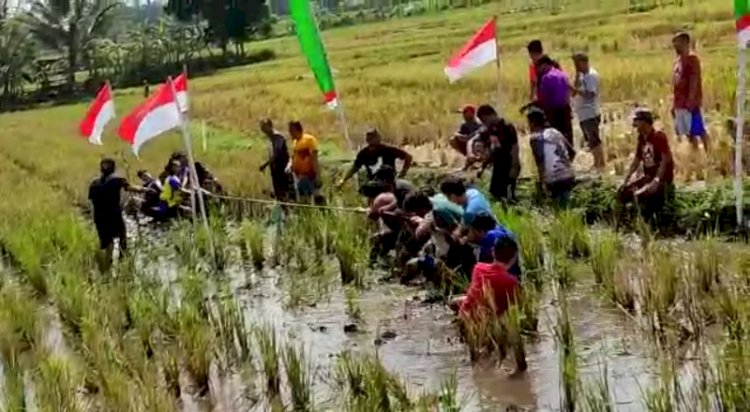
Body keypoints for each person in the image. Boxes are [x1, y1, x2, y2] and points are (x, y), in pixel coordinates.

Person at [451, 236, 527, 372]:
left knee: (460, 300)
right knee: (509, 331)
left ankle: (474, 355)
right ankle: (515, 367)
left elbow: (477, 293)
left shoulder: (478, 268)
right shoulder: (512, 282)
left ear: (492, 252)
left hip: (465, 320)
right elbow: (514, 310)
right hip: (485, 326)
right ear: (515, 257)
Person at [618, 108, 675, 223]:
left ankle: (648, 223)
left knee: (640, 196)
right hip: (648, 177)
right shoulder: (641, 138)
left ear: (644, 122)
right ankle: (627, 221)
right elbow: (636, 160)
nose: (634, 124)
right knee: (622, 192)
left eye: (637, 121)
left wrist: (657, 180)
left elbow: (665, 161)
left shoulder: (659, 136)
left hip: (661, 178)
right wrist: (626, 180)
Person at [88, 158, 145, 269]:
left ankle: (107, 266)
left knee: (108, 242)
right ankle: (122, 263)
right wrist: (145, 189)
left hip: (99, 217)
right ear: (114, 168)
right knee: (122, 237)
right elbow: (131, 188)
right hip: (114, 215)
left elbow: (91, 202)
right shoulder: (118, 180)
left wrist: (93, 218)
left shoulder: (94, 183)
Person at [527, 107, 575, 207]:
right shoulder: (555, 132)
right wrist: (565, 166)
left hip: (553, 178)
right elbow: (572, 152)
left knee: (558, 208)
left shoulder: (535, 138)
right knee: (567, 205)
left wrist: (541, 183)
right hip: (568, 175)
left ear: (532, 122)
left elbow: (540, 162)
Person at [337, 128, 413, 188]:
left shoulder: (387, 150)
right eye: (369, 137)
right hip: (374, 184)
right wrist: (343, 180)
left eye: (374, 137)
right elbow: (355, 167)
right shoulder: (364, 153)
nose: (371, 140)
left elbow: (408, 157)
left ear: (378, 138)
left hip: (389, 183)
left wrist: (402, 173)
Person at [476, 104, 521, 203]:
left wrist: (514, 166)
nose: (484, 123)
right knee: (495, 195)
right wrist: (482, 167)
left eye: (484, 120)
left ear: (489, 115)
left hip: (508, 164)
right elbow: (494, 149)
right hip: (498, 165)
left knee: (508, 196)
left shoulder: (506, 126)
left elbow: (514, 147)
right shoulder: (491, 129)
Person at [672, 32, 708, 151]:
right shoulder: (678, 61)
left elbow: (694, 80)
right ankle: (696, 154)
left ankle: (709, 154)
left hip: (690, 103)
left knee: (699, 131)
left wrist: (691, 99)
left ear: (686, 43)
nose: (675, 45)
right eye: (674, 43)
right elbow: (676, 82)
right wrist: (674, 104)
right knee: (688, 133)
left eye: (678, 42)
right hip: (680, 103)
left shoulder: (692, 59)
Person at [536, 55, 575, 160]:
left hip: (553, 111)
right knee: (567, 135)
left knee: (555, 137)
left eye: (538, 67)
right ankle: (570, 157)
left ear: (544, 65)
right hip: (566, 109)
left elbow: (544, 98)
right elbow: (569, 91)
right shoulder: (562, 74)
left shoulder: (546, 77)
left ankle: (560, 159)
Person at [571, 52, 605, 171]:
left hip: (590, 112)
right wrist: (576, 77)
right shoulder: (581, 75)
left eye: (577, 63)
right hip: (583, 114)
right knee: (591, 141)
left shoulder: (591, 75)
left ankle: (600, 163)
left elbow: (590, 94)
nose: (575, 66)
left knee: (594, 140)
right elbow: (573, 93)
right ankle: (598, 162)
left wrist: (575, 89)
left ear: (583, 62)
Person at [466, 212, 522, 279]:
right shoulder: (504, 231)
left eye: (472, 231)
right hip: (515, 276)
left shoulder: (489, 237)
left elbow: (481, 265)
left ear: (480, 231)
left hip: (504, 277)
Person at [289, 121, 324, 205]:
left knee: (317, 197)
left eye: (291, 131)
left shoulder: (309, 140)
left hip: (310, 175)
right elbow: (294, 157)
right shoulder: (295, 143)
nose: (290, 134)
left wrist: (318, 175)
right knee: (303, 199)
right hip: (300, 176)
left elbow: (314, 158)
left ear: (296, 130)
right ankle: (307, 216)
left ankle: (325, 215)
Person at [259, 119, 292, 201]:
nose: (263, 129)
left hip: (282, 169)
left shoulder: (278, 137)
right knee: (278, 194)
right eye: (262, 127)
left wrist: (265, 164)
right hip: (275, 170)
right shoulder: (270, 139)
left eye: (264, 127)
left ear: (270, 126)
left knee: (284, 193)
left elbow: (277, 154)